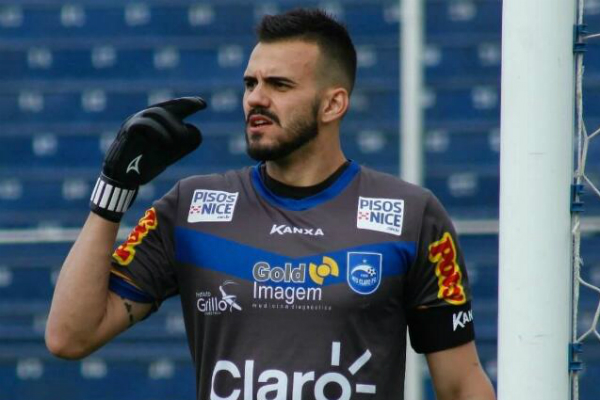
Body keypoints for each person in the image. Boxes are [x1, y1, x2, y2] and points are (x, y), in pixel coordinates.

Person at [46, 8, 496, 400]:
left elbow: (461, 386)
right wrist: (112, 193)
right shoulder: (192, 208)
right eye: (250, 83)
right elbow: (69, 336)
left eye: (279, 84)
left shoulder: (412, 215)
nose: (256, 98)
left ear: (333, 104)